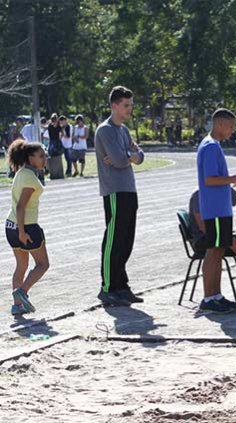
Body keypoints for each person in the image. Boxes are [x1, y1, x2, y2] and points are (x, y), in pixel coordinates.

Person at [196, 108, 236, 313]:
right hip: (215, 208)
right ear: (219, 124)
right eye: (230, 126)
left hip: (219, 207)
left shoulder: (213, 145)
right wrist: (234, 178)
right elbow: (209, 179)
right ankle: (209, 297)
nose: (232, 131)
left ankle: (216, 295)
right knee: (214, 251)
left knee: (218, 250)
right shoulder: (210, 146)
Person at [95, 86, 146, 306]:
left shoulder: (124, 131)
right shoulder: (104, 131)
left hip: (129, 189)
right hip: (114, 191)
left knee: (126, 241)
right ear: (114, 105)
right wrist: (128, 155)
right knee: (113, 240)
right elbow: (118, 159)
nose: (129, 109)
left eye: (130, 105)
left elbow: (141, 156)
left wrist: (128, 155)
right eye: (126, 105)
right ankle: (107, 287)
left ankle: (121, 285)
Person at [5, 139, 49, 316]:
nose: (45, 159)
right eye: (41, 156)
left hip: (10, 225)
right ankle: (22, 292)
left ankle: (17, 306)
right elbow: (21, 206)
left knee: (21, 266)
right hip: (26, 227)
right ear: (30, 158)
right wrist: (22, 232)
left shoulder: (21, 173)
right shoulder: (30, 178)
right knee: (43, 264)